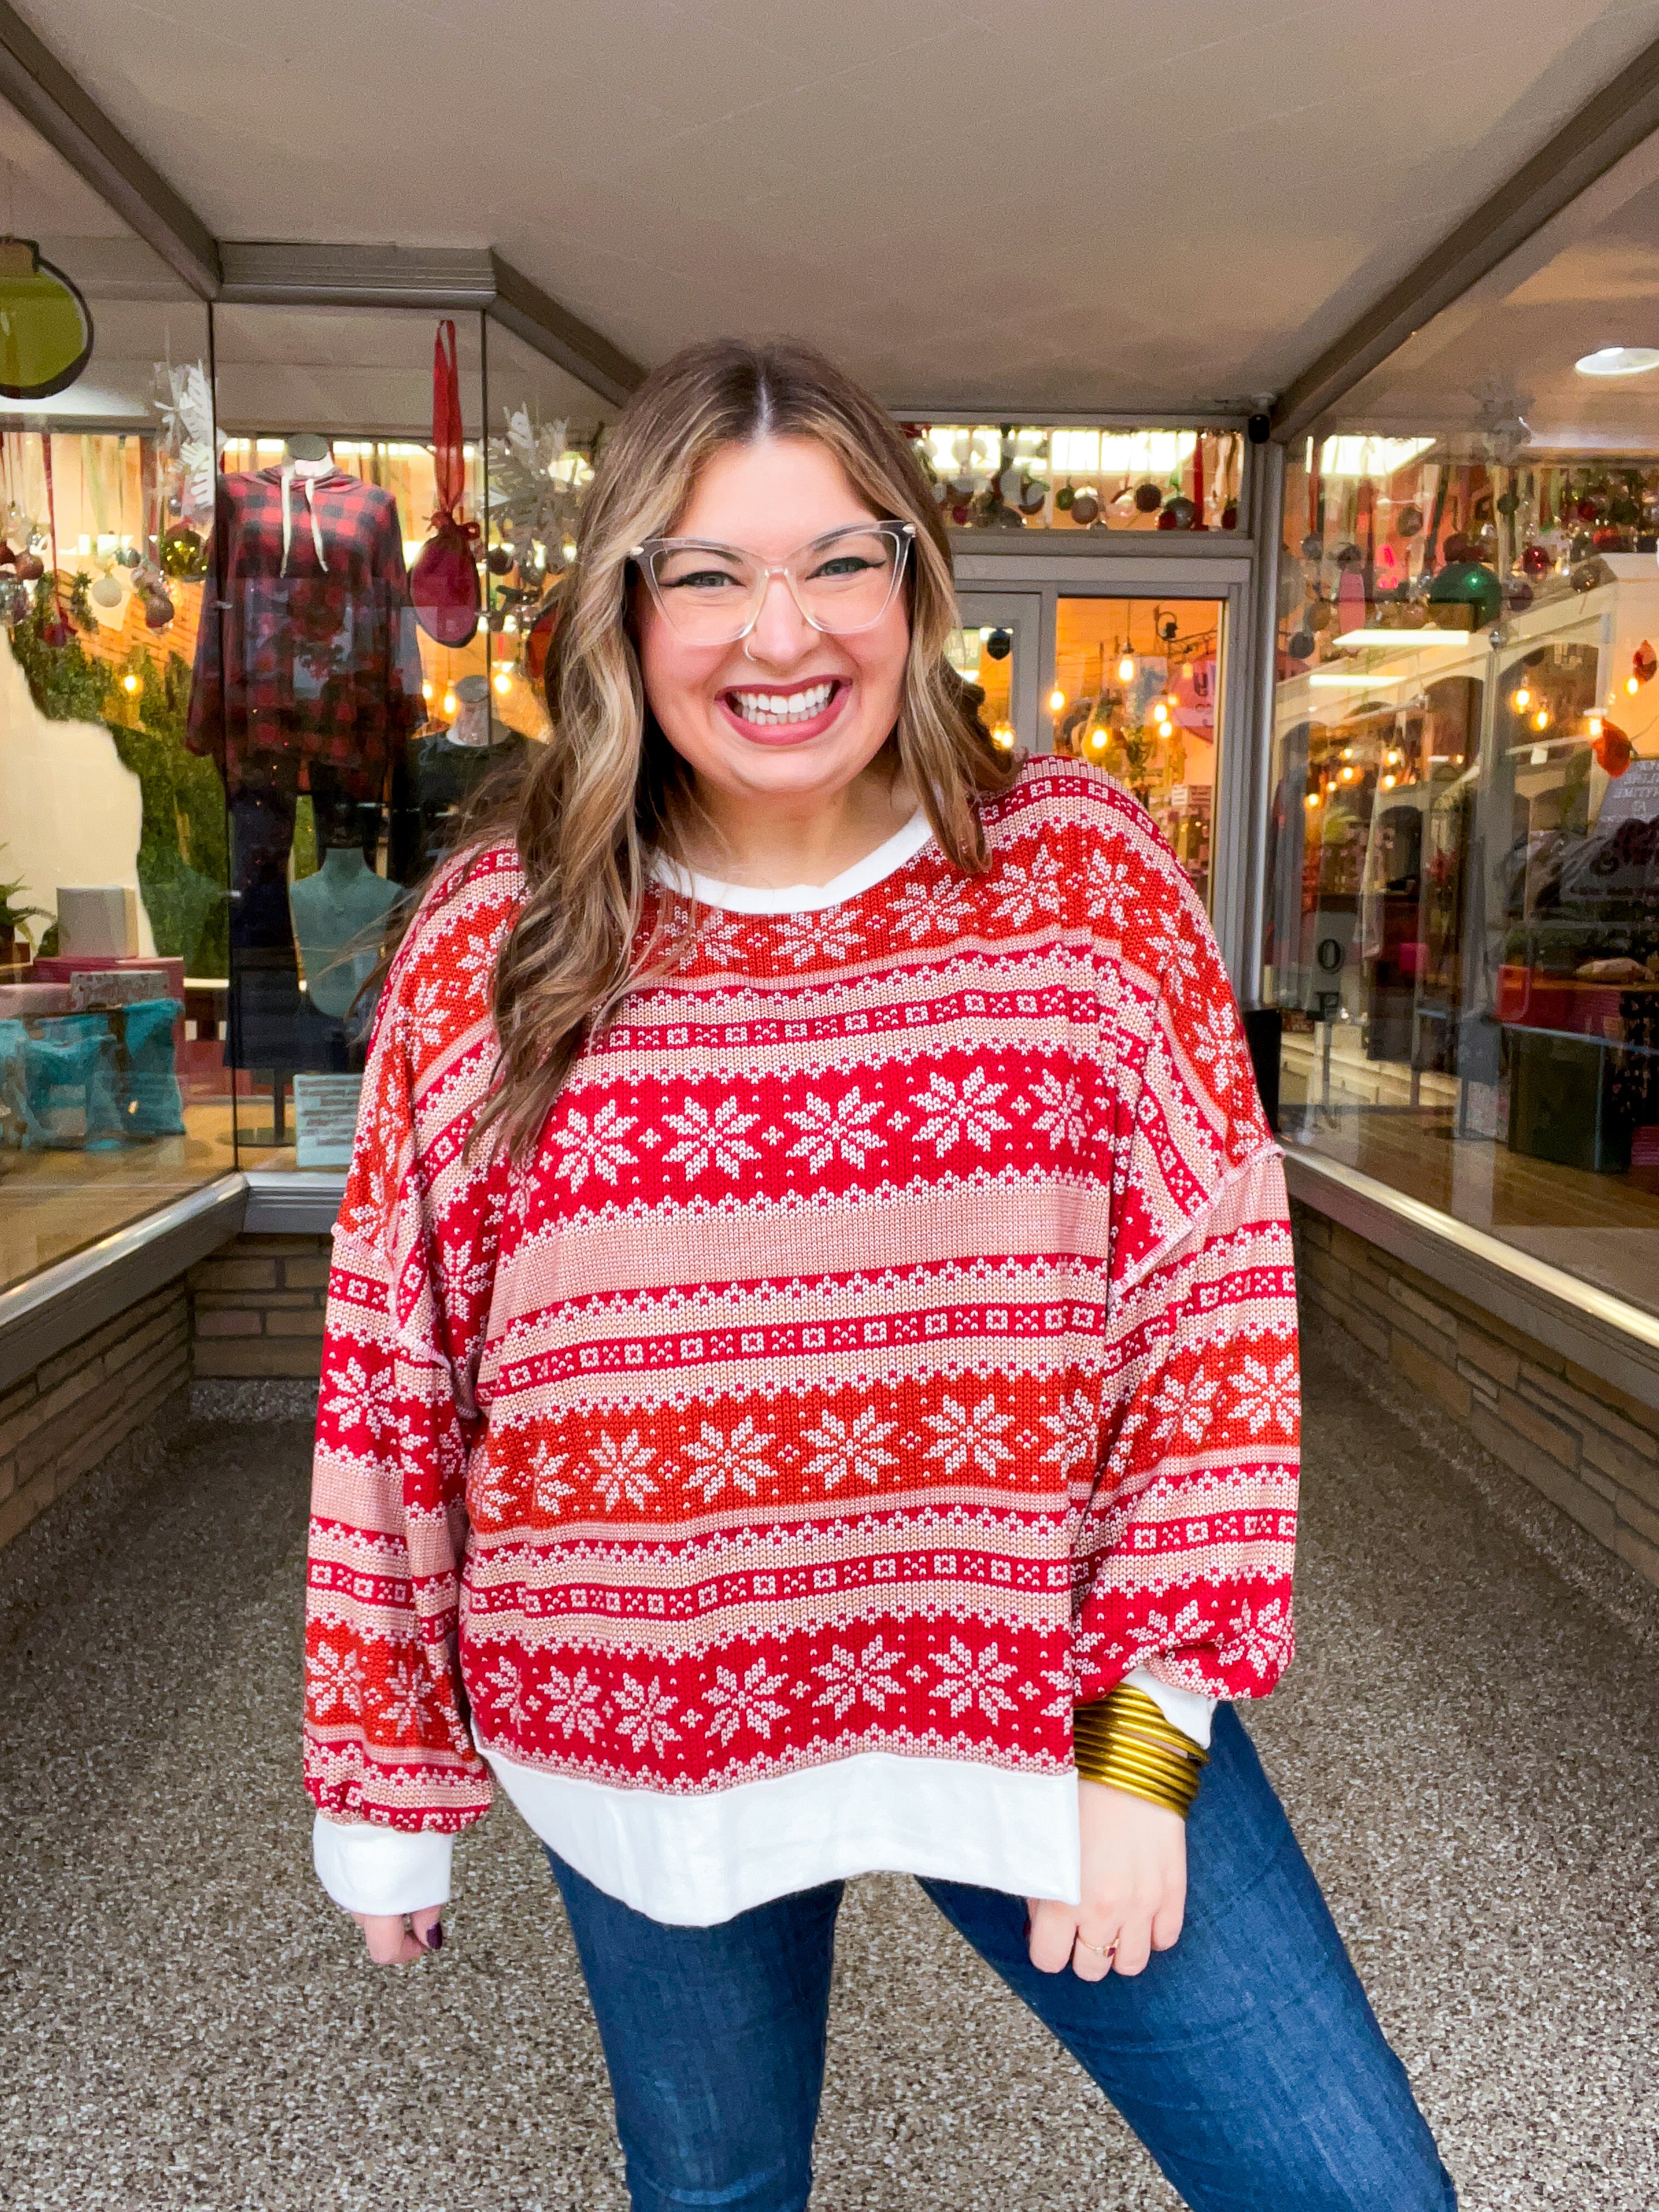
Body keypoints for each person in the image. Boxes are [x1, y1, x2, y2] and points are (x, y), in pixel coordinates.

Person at [303, 338, 1456, 2212]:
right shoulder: (493, 937)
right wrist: (383, 1784)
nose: (783, 635)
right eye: (709, 573)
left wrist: (1146, 1746)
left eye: (842, 560)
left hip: (1044, 1691)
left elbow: (1216, 1319)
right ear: (625, 608)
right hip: (639, 1723)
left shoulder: (1077, 878)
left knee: (1352, 2189)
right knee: (720, 2196)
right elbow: (394, 1380)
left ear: (919, 588)